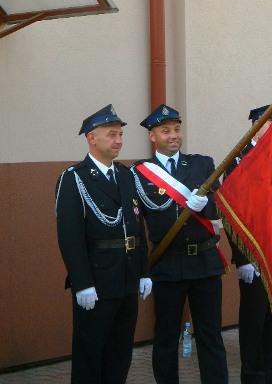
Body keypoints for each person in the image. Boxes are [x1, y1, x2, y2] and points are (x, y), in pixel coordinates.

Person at [55, 104, 151, 384]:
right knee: (90, 354)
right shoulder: (74, 178)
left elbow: (136, 226)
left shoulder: (125, 175)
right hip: (97, 281)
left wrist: (144, 271)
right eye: (112, 134)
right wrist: (82, 282)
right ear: (91, 138)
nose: (118, 140)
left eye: (120, 134)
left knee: (120, 353)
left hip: (127, 278)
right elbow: (69, 236)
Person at [132, 104, 227, 384]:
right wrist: (142, 270)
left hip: (204, 264)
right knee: (165, 337)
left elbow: (221, 207)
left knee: (210, 336)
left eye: (176, 129)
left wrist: (205, 204)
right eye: (165, 131)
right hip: (167, 264)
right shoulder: (139, 173)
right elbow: (136, 226)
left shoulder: (202, 164)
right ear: (152, 136)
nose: (173, 135)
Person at [225, 105, 272, 384]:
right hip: (254, 256)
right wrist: (243, 259)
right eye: (271, 123)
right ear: (256, 125)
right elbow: (231, 215)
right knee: (254, 319)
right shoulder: (238, 161)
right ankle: (253, 376)